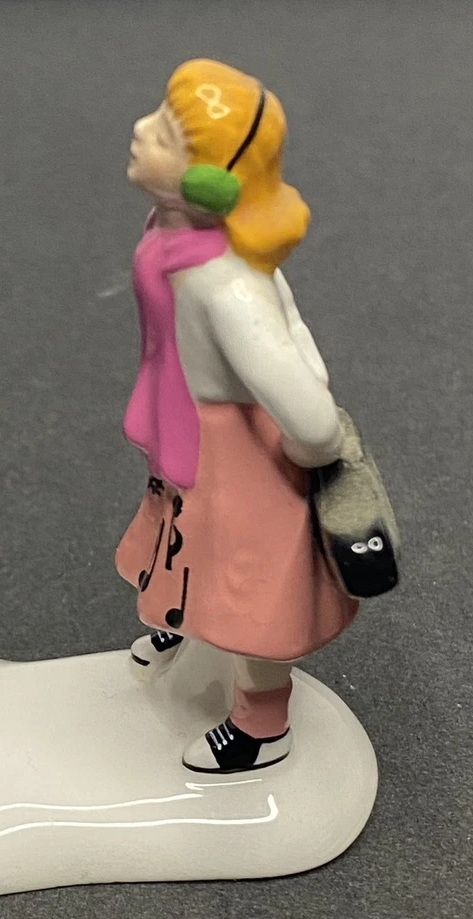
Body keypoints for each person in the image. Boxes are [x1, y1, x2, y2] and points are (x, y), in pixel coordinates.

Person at [115, 59, 359, 774]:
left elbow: (311, 418)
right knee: (187, 546)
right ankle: (184, 619)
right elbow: (291, 314)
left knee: (248, 589)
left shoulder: (225, 287)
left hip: (237, 456)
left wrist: (310, 449)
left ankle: (262, 723)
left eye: (166, 135)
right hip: (185, 434)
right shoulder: (172, 233)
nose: (140, 130)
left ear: (210, 183)